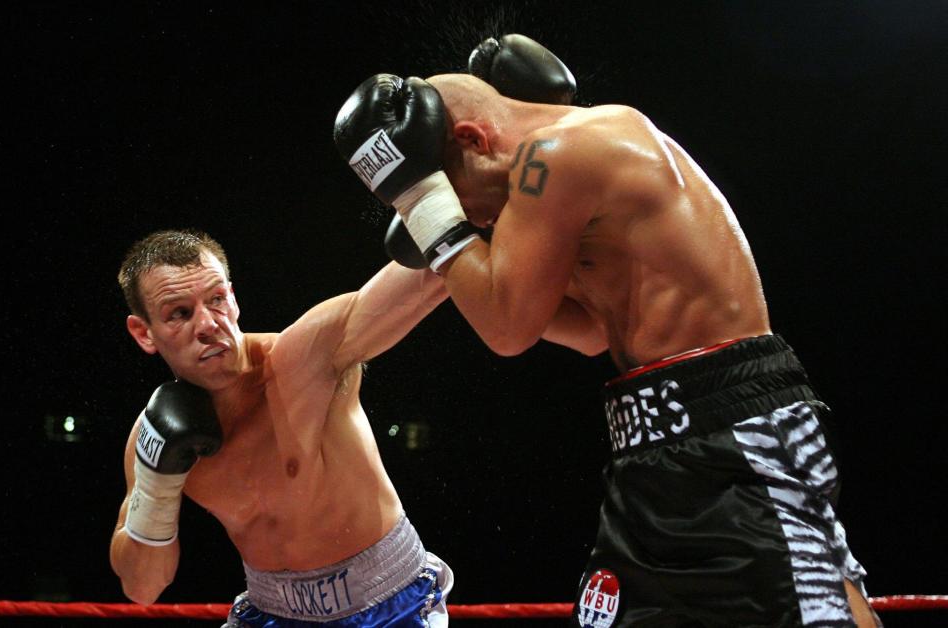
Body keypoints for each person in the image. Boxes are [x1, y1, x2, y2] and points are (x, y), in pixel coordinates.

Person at [333, 35, 880, 627]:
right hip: (657, 438)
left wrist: (427, 211)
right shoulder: (566, 180)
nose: (479, 221)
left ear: (472, 139)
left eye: (458, 196)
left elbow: (507, 330)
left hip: (733, 429)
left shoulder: (558, 153)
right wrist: (474, 259)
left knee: (807, 608)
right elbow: (591, 332)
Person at [110, 228, 454, 627]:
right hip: (269, 612)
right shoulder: (149, 436)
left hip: (388, 604)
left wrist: (448, 206)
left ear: (233, 298)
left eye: (217, 300)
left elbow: (426, 277)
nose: (207, 324)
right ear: (143, 333)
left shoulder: (303, 363)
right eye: (180, 313)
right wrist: (156, 487)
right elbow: (143, 587)